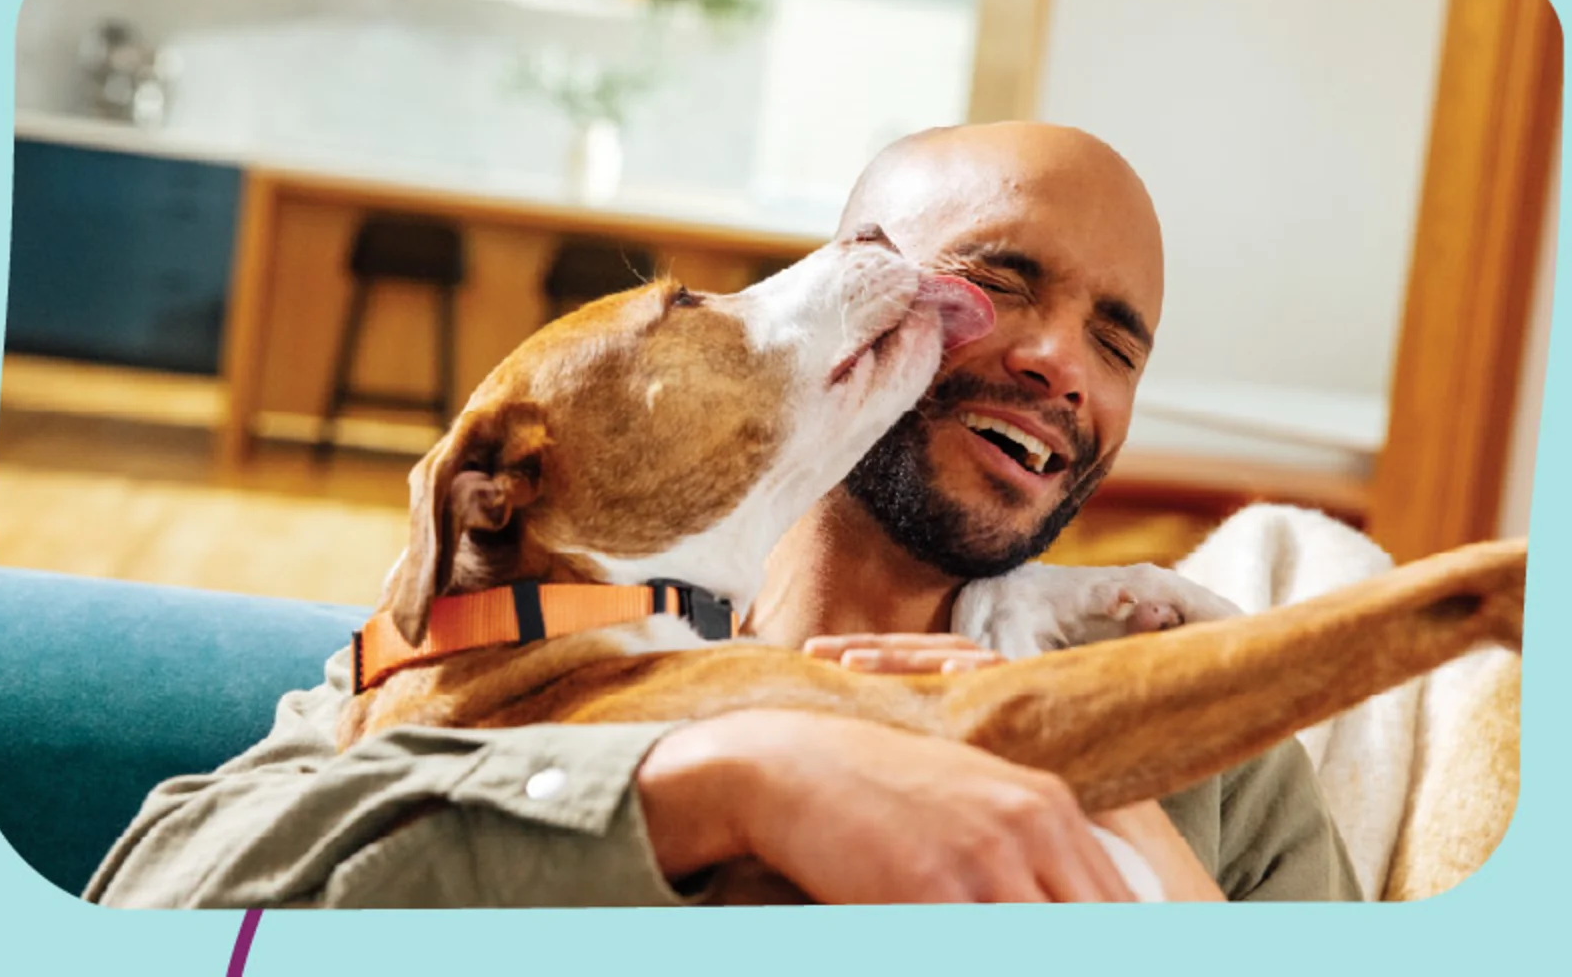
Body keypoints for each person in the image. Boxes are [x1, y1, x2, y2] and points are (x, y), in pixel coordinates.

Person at [85, 123, 1361, 908]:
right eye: (997, 281)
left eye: (1117, 345)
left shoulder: (1212, 732)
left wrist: (1119, 817)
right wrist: (719, 780)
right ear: (859, 290)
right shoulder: (490, 655)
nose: (1058, 363)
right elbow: (160, 906)